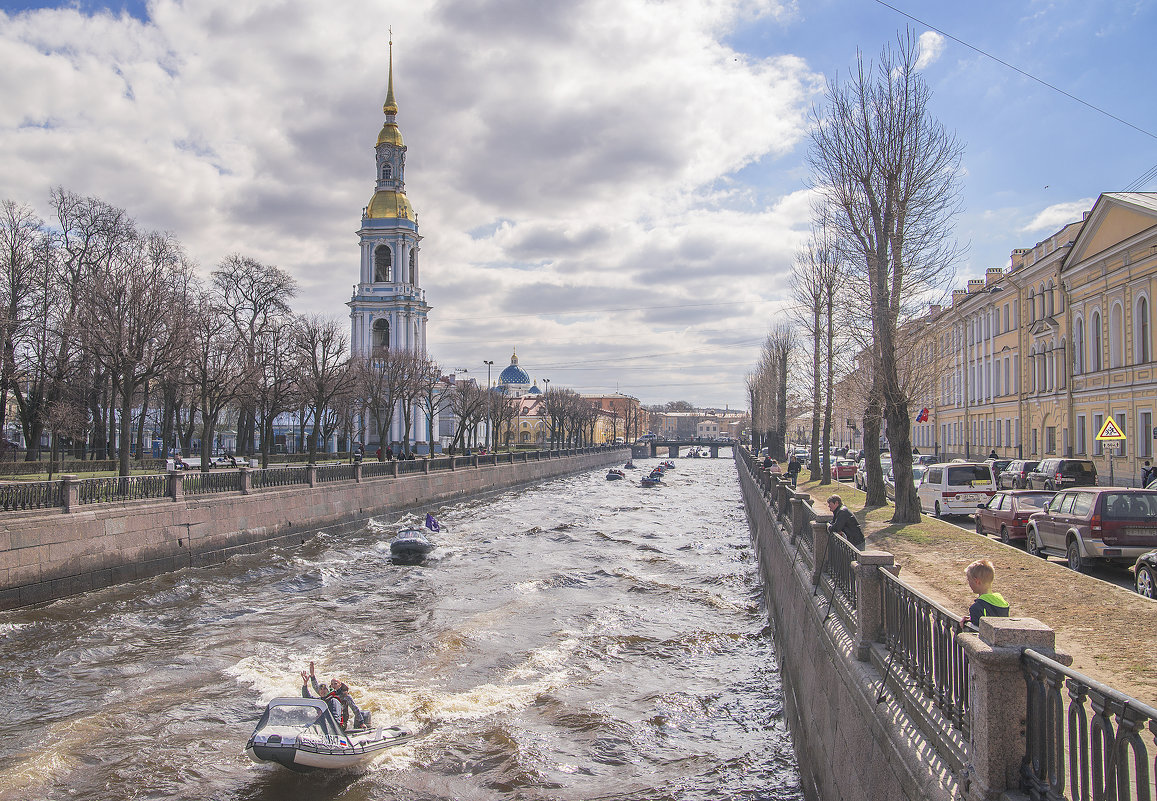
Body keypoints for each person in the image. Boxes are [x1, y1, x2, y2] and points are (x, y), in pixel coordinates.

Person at [301, 661, 370, 729]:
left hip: (338, 725)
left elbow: (355, 709)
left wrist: (361, 722)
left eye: (335, 684)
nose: (333, 685)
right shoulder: (324, 698)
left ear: (340, 685)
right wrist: (312, 676)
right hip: (325, 725)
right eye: (332, 684)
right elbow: (315, 690)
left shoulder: (342, 697)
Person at [963, 558, 1010, 628]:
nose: (968, 583)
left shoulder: (976, 608)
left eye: (969, 580)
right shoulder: (1003, 604)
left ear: (977, 581)